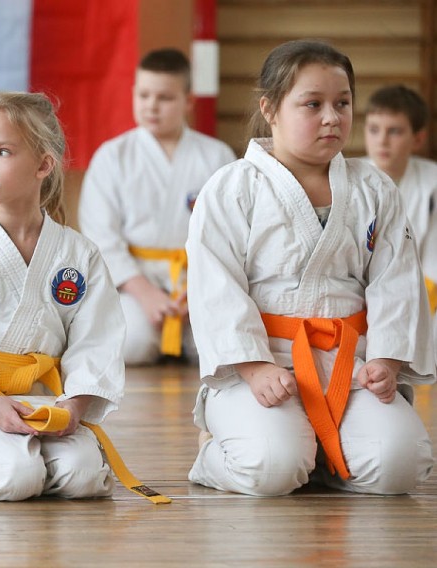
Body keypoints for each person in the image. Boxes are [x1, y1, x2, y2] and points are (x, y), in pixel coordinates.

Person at [186, 39, 434, 497]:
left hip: (349, 363)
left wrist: (386, 358)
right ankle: (215, 455)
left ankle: (320, 457)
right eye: (312, 104)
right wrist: (255, 367)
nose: (331, 117)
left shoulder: (373, 188)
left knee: (401, 464)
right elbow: (213, 287)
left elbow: (395, 280)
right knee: (271, 467)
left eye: (343, 103)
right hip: (263, 367)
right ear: (271, 109)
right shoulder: (232, 187)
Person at [0, 92, 127, 502]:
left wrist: (76, 406)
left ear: (43, 165)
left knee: (84, 477)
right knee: (17, 478)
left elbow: (96, 338)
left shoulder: (78, 254)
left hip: (50, 404)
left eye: (3, 152)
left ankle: (30, 459)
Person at [79, 48, 235, 366]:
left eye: (164, 97)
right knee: (131, 343)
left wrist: (196, 290)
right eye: (144, 95)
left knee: (223, 349)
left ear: (188, 101)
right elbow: (101, 237)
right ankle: (154, 332)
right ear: (133, 94)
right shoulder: (113, 156)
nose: (151, 105)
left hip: (198, 282)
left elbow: (230, 233)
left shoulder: (216, 156)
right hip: (136, 283)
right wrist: (144, 292)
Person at [361, 85, 437, 316]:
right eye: (374, 130)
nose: (382, 140)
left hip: (424, 299)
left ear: (418, 138)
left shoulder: (433, 183)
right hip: (363, 301)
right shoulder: (349, 180)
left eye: (394, 131)